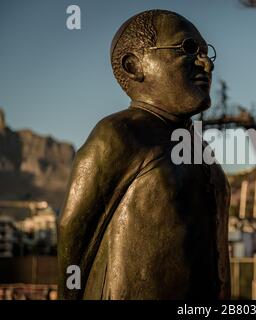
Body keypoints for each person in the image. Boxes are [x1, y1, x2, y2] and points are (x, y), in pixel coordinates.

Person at [58, 9, 230, 300]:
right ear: (134, 66)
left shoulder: (199, 148)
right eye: (188, 49)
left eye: (207, 53)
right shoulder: (119, 134)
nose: (206, 65)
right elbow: (74, 235)